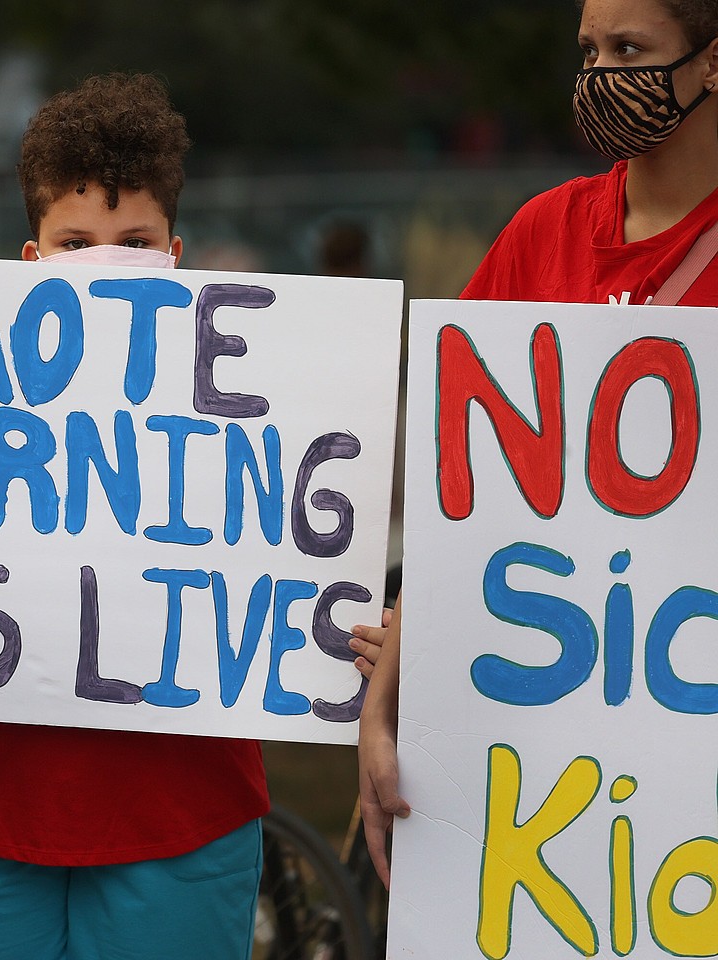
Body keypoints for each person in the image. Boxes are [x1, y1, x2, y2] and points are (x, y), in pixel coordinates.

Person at [0, 73, 267, 960]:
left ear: (174, 254)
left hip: (186, 812)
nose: (104, 264)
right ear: (32, 258)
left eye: (133, 241)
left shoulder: (261, 398)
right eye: (76, 242)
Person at [356, 0, 718, 888]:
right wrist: (387, 702)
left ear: (712, 63)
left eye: (630, 49)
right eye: (589, 50)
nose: (600, 75)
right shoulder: (541, 233)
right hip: (528, 725)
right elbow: (460, 491)